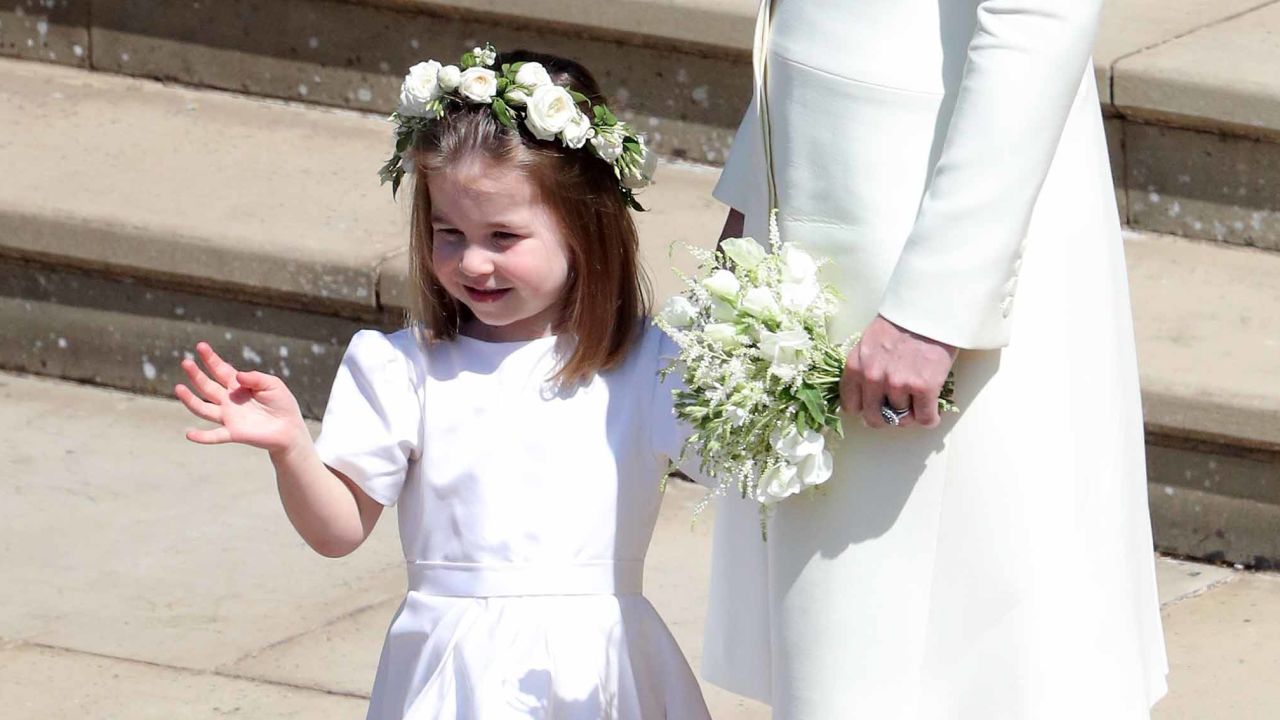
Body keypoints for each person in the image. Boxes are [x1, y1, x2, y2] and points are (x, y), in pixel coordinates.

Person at [173, 47, 710, 720]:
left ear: (585, 230)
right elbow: (338, 530)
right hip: (454, 678)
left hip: (601, 672)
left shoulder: (641, 365)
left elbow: (738, 471)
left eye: (503, 235)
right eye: (449, 233)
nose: (473, 261)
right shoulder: (401, 369)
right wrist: (291, 449)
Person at [701, 0, 1169, 717]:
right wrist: (753, 187)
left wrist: (933, 308)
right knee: (849, 648)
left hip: (925, 227)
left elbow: (1040, 17)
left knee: (979, 649)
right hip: (826, 183)